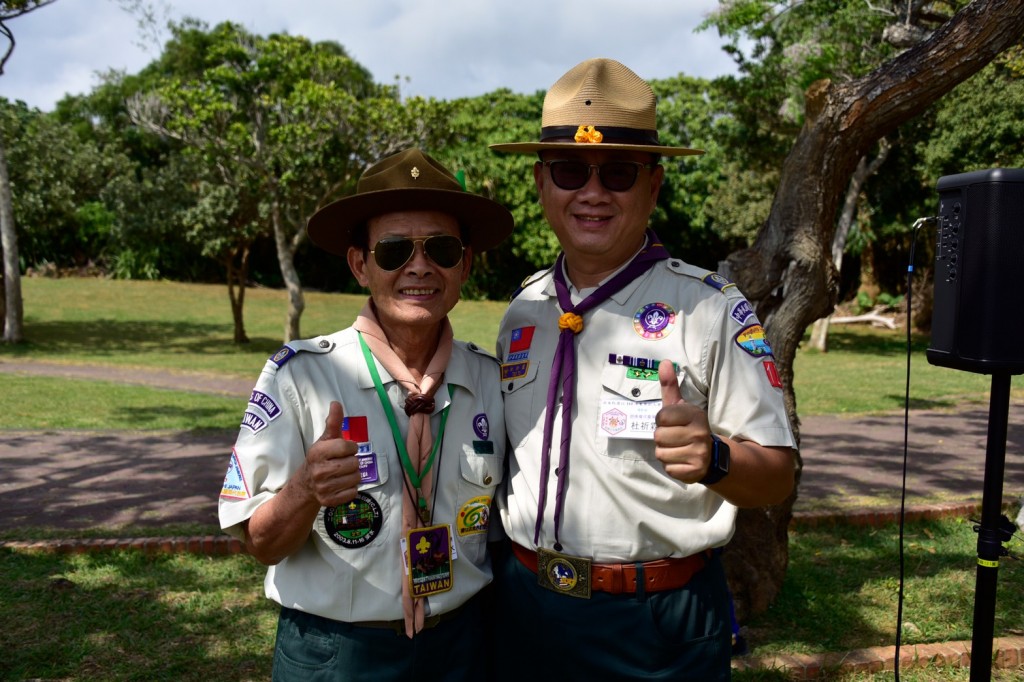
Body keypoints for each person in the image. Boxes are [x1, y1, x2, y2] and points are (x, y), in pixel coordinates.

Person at [488, 58, 797, 679]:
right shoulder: (525, 308)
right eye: (570, 171)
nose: (593, 193)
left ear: (654, 185)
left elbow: (778, 474)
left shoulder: (710, 309)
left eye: (620, 174)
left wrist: (713, 458)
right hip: (525, 607)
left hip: (654, 622)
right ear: (541, 183)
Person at [217, 147, 514, 681]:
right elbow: (260, 544)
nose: (419, 266)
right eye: (395, 250)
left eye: (441, 249)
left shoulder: (491, 381)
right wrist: (305, 487)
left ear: (464, 264)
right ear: (360, 265)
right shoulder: (300, 375)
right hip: (336, 653)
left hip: (463, 647)